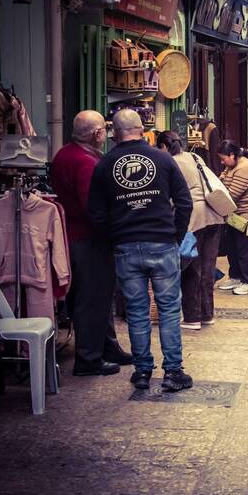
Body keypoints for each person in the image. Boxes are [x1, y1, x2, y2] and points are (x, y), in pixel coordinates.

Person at [88, 109, 193, 392]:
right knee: (169, 309)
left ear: (114, 132)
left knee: (136, 311)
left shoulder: (104, 164)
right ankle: (173, 372)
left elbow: (96, 215)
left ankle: (143, 371)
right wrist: (175, 236)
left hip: (125, 246)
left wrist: (114, 240)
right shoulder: (163, 159)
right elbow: (185, 202)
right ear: (142, 128)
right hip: (161, 242)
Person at [51, 110, 132, 376]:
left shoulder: (64, 154)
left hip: (72, 237)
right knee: (92, 298)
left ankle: (107, 347)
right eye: (104, 130)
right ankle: (88, 358)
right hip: (88, 239)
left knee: (98, 297)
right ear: (98, 134)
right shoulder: (86, 162)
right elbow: (93, 208)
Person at [156, 131, 224, 331]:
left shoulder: (170, 163)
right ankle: (207, 314)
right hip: (213, 215)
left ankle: (193, 317)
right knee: (208, 268)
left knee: (191, 268)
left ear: (164, 147)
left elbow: (171, 196)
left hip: (193, 219)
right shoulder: (194, 156)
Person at [217, 140, 248, 296]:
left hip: (243, 216)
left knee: (244, 251)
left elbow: (231, 195)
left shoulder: (245, 168)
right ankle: (235, 277)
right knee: (232, 249)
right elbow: (221, 181)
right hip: (232, 216)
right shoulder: (232, 165)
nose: (223, 163)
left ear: (232, 154)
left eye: (224, 159)